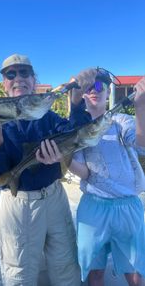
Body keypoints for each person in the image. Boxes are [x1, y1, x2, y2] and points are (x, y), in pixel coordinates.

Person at [0, 53, 89, 286]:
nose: (18, 78)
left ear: (34, 80)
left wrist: (76, 103)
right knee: (20, 275)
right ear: (4, 84)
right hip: (19, 203)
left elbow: (77, 135)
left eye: (24, 72)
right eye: (11, 74)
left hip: (55, 197)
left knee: (66, 265)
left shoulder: (48, 116)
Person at [38, 68, 145, 286]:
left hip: (127, 207)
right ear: (83, 94)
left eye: (100, 86)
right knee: (94, 272)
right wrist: (63, 159)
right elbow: (85, 173)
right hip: (93, 208)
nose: (94, 90)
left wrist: (140, 106)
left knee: (134, 274)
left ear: (107, 93)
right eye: (89, 87)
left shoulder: (121, 121)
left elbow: (142, 144)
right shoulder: (76, 128)